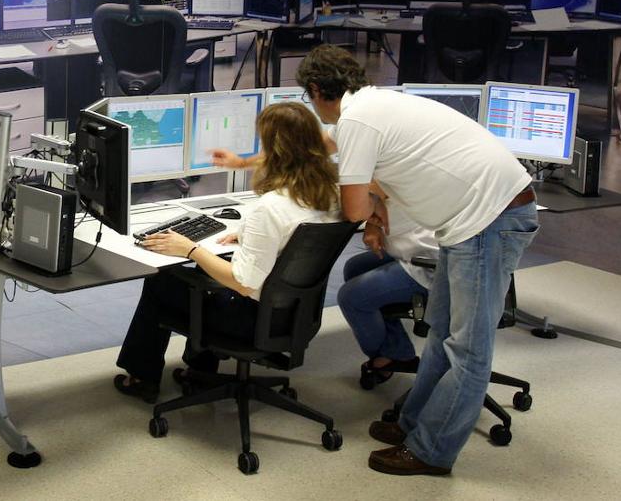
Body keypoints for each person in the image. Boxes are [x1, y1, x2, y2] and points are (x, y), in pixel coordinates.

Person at [297, 44, 538, 477]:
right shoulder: (378, 102)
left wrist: (356, 202)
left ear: (316, 90)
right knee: (443, 331)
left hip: (488, 220)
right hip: (473, 220)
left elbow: (353, 209)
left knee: (468, 348)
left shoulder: (357, 119)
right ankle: (413, 425)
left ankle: (432, 451)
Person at [113, 102, 340, 402]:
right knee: (207, 269)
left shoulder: (270, 208)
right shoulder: (329, 193)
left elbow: (243, 283)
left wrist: (190, 248)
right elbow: (294, 242)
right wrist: (247, 236)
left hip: (253, 321)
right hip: (296, 314)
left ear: (274, 151)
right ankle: (200, 372)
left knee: (163, 281)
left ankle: (143, 377)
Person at [337, 196, 438, 385]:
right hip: (412, 249)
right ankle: (397, 351)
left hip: (430, 264)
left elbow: (356, 207)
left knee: (351, 297)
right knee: (355, 268)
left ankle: (387, 355)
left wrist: (371, 218)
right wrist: (373, 224)